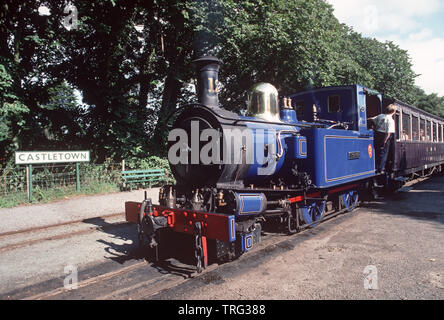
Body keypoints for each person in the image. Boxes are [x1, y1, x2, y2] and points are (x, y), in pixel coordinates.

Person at [368, 104, 397, 173]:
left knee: (377, 151)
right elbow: (388, 133)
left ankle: (375, 166)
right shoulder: (390, 120)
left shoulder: (380, 116)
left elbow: (371, 119)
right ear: (394, 111)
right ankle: (380, 168)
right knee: (384, 152)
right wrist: (385, 141)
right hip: (384, 136)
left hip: (377, 134)